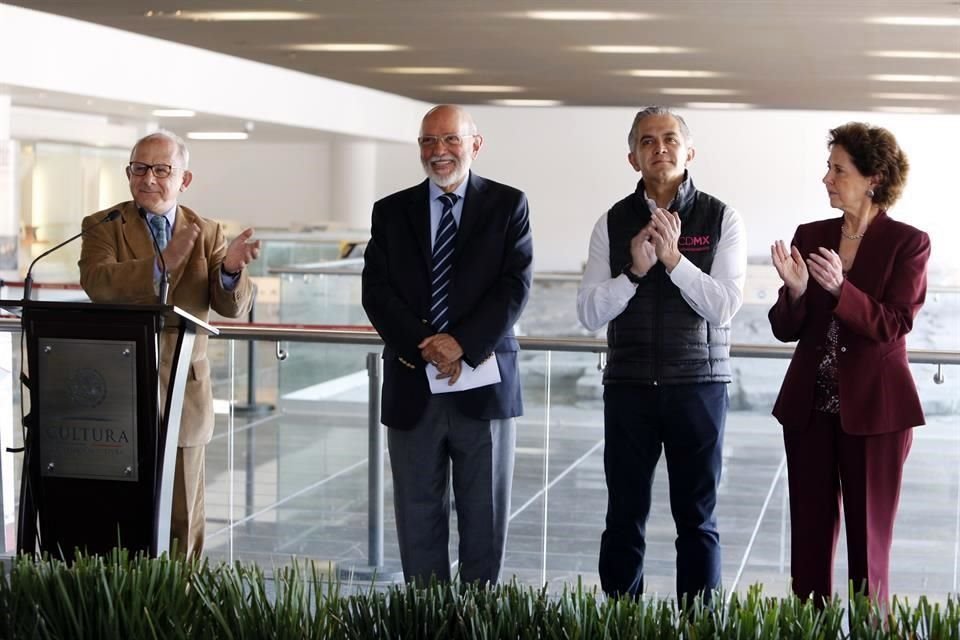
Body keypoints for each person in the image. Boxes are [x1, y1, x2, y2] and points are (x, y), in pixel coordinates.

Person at [577, 106, 747, 603]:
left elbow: (725, 307)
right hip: (628, 386)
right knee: (622, 517)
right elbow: (588, 312)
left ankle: (698, 624)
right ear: (633, 158)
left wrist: (674, 260)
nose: (660, 148)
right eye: (647, 141)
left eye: (670, 139)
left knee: (697, 520)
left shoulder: (721, 217)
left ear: (689, 151)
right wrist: (632, 271)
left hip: (699, 385)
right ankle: (620, 620)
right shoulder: (611, 222)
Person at [361, 105, 533, 585]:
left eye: (450, 140)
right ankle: (426, 618)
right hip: (414, 382)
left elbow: (514, 287)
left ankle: (478, 619)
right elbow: (376, 291)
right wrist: (426, 344)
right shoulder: (390, 211)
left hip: (484, 385)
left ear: (474, 144)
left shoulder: (508, 205)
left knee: (485, 516)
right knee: (417, 516)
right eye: (428, 142)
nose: (439, 152)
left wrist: (461, 344)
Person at [79, 129, 260, 558]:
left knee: (183, 517)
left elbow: (231, 306)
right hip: (116, 392)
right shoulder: (104, 225)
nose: (149, 179)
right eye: (139, 169)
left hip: (184, 394)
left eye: (162, 170)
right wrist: (161, 265)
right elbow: (97, 283)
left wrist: (231, 271)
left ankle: (179, 611)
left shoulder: (208, 231)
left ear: (185, 179)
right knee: (120, 511)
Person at [769, 123, 929, 605]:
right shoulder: (811, 235)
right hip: (809, 411)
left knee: (868, 544)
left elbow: (894, 323)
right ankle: (807, 628)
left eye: (838, 169)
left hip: (877, 415)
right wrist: (796, 292)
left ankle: (870, 629)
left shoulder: (909, 243)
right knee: (810, 541)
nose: (827, 179)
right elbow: (785, 326)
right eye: (828, 168)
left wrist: (842, 291)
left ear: (873, 178)